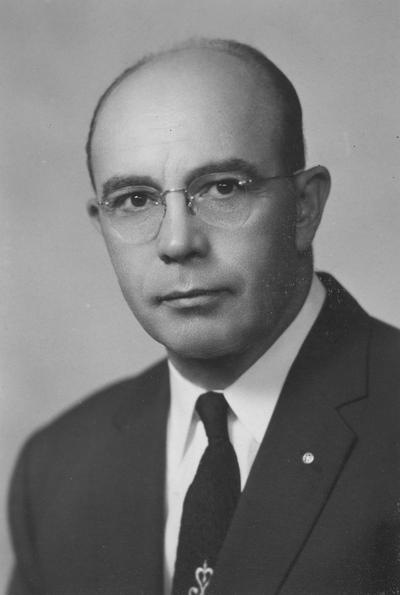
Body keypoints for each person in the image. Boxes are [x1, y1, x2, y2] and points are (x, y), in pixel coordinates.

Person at [7, 38, 400, 595]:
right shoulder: (56, 468)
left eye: (222, 188)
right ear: (102, 225)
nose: (176, 242)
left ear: (305, 207)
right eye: (136, 200)